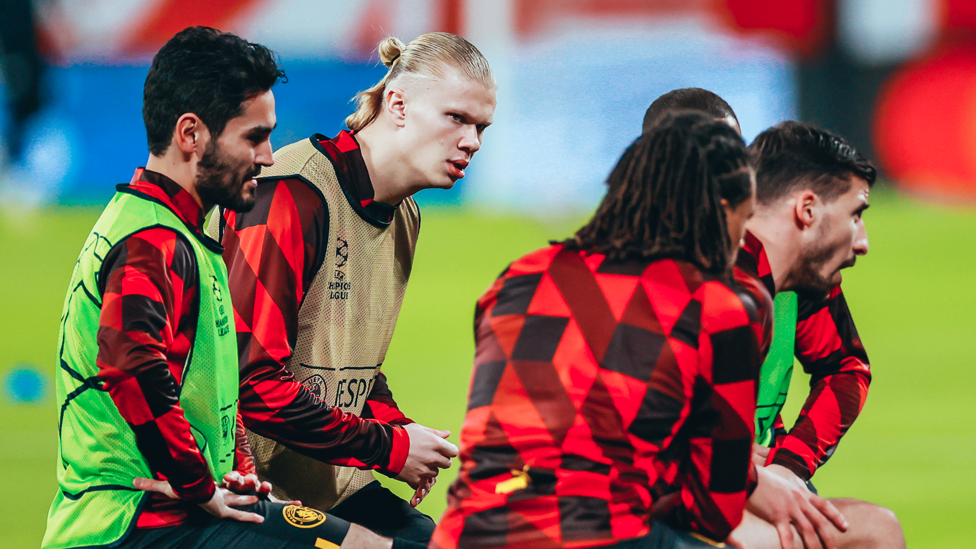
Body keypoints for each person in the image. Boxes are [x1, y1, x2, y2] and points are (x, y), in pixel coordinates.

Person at [44, 26, 399, 549]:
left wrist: (242, 475)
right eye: (254, 137)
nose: (269, 157)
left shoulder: (180, 231)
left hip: (175, 515)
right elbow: (129, 364)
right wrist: (197, 483)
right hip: (131, 524)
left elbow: (213, 391)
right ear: (191, 135)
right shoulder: (152, 240)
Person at [430, 112, 845, 549]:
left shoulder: (517, 279)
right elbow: (715, 512)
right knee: (870, 529)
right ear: (720, 213)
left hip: (469, 532)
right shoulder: (721, 306)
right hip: (602, 537)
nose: (742, 246)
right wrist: (741, 476)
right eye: (742, 224)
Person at [206, 32, 496, 546]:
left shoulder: (404, 215)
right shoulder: (291, 196)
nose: (472, 141)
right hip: (235, 490)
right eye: (456, 118)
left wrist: (401, 432)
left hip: (323, 484)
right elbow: (251, 386)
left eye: (480, 127)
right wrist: (388, 447)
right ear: (399, 105)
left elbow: (347, 364)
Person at [643, 90, 905, 549]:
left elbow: (845, 367)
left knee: (877, 529)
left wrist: (790, 466)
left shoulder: (793, 267)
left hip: (758, 479)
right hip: (671, 495)